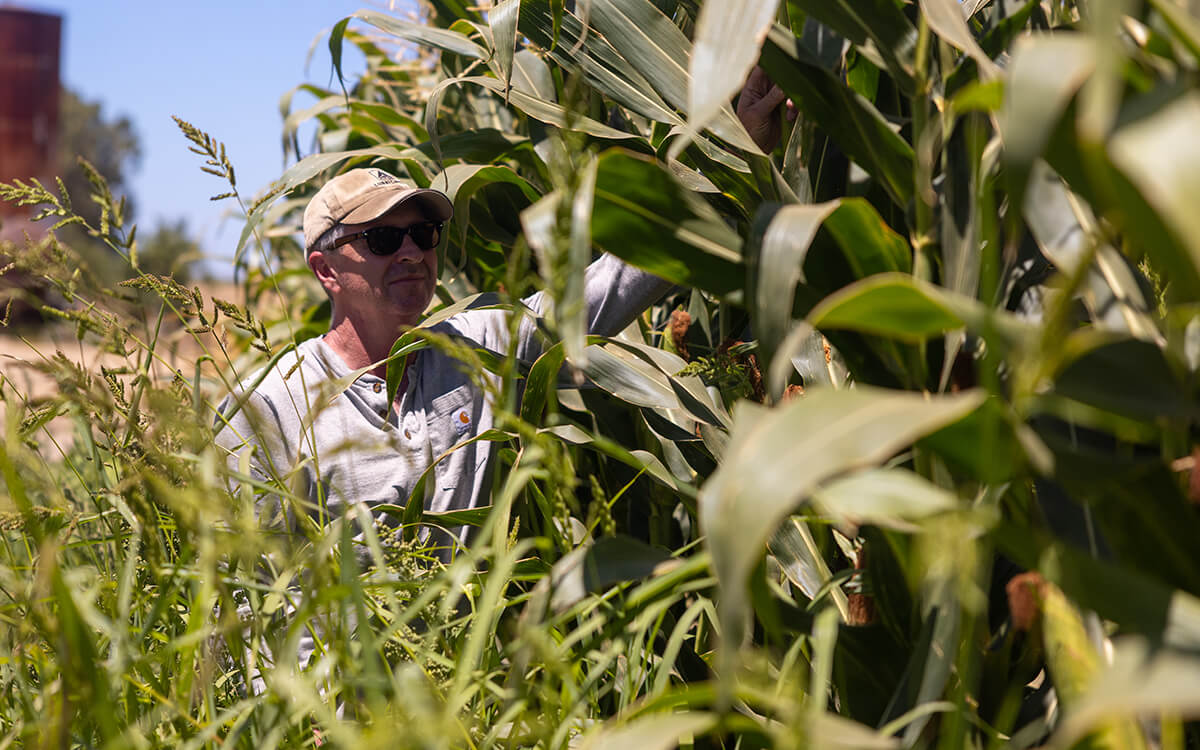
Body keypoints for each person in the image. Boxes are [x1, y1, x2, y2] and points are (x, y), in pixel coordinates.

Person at [215, 167, 671, 557]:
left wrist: (699, 192)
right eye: (384, 238)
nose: (411, 252)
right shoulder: (269, 409)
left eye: (423, 234)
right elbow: (247, 593)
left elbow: (600, 294)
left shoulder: (477, 348)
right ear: (326, 270)